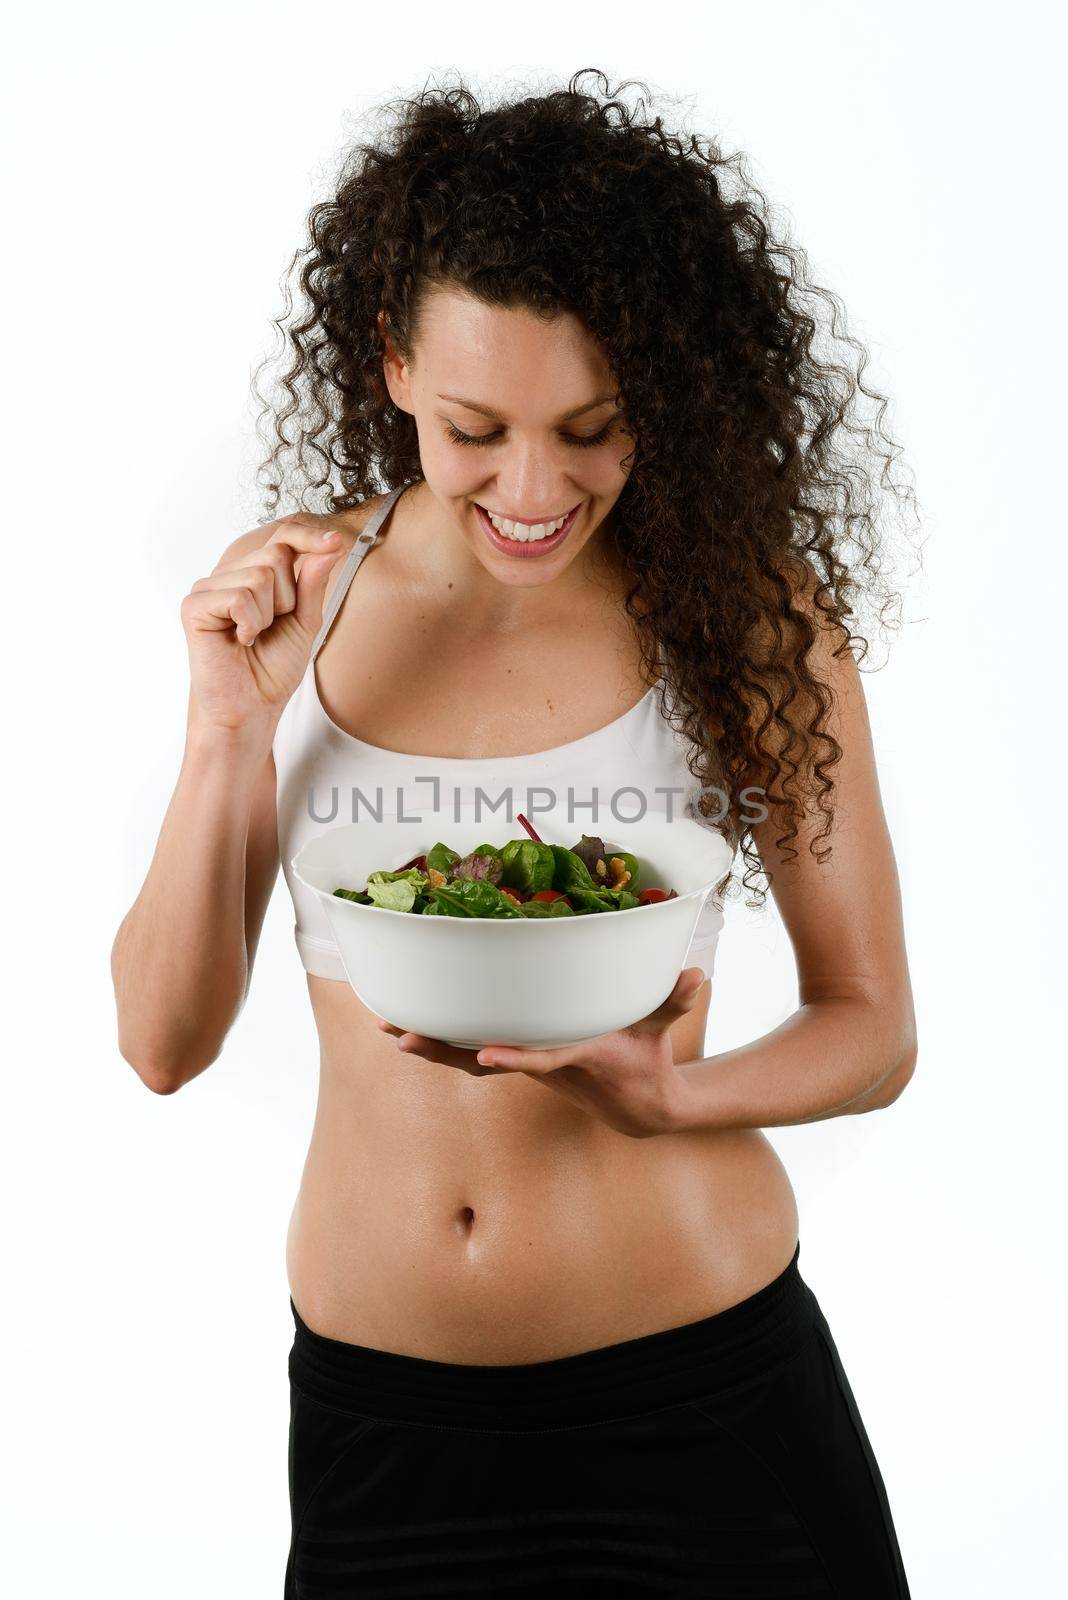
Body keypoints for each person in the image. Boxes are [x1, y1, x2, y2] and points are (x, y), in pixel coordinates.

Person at [112, 69, 919, 1598]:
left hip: (708, 1400)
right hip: (386, 1426)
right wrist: (226, 724)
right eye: (477, 427)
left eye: (595, 428)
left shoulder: (745, 620)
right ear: (395, 365)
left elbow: (873, 1029)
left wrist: (668, 1104)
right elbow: (161, 1042)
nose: (536, 489)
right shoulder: (298, 593)